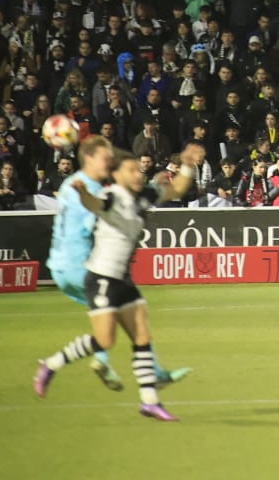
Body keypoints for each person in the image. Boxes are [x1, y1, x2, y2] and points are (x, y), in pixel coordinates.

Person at [34, 145, 206, 421]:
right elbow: (95, 204)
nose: (138, 174)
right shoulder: (111, 196)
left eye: (139, 169)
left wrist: (186, 164)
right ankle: (51, 364)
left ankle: (149, 401)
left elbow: (177, 189)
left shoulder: (146, 193)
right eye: (131, 170)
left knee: (142, 337)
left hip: (122, 278)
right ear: (116, 174)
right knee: (105, 340)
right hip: (101, 278)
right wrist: (83, 194)